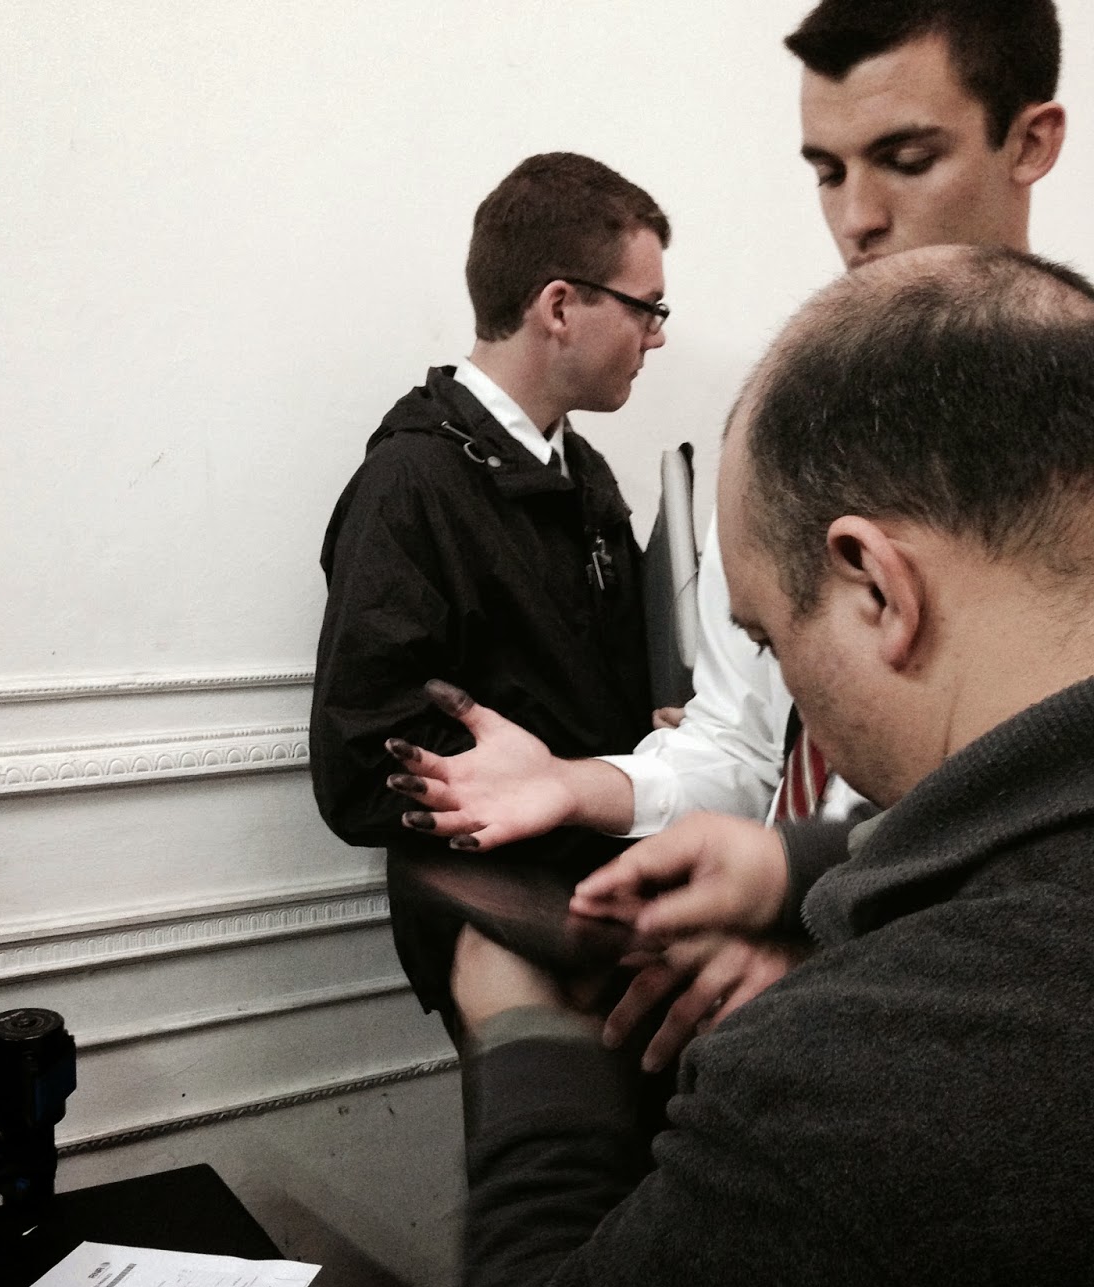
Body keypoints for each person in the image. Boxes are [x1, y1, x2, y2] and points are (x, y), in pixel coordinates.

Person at [449, 244, 1094, 1287]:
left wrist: (529, 1050)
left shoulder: (872, 1087)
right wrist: (799, 866)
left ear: (877, 588)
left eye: (768, 635)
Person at [386, 0, 1066, 1054]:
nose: (857, 218)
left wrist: (821, 919)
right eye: (828, 172)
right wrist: (575, 785)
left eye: (907, 159)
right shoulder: (780, 437)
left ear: (1030, 142)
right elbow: (739, 744)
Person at [310, 152, 670, 1019]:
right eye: (646, 308)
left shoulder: (585, 473)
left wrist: (665, 726)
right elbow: (359, 764)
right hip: (506, 921)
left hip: (618, 888)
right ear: (559, 307)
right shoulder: (408, 484)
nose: (657, 336)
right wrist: (560, 779)